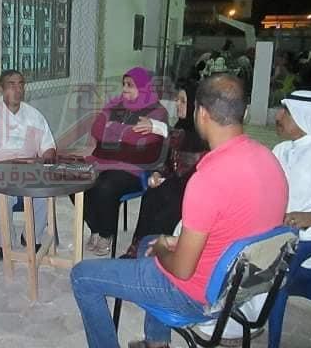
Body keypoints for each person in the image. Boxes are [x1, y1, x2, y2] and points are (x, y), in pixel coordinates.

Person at [70, 74, 288, 348]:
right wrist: (168, 242)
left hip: (198, 294)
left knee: (82, 275)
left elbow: (182, 270)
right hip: (240, 284)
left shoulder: (207, 179)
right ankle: (156, 342)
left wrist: (164, 248)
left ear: (201, 114)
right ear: (243, 113)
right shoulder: (269, 159)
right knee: (148, 242)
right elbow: (239, 227)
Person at [202, 89, 311, 343]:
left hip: (309, 239)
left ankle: (247, 319)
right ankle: (223, 306)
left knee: (247, 254)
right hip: (273, 228)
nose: (278, 116)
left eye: (286, 112)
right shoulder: (281, 149)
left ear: (306, 117)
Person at [0, 69, 56, 260]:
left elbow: (48, 147)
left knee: (44, 193)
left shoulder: (34, 115)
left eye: (21, 84)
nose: (17, 89)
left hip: (28, 170)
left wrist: (46, 159)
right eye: (11, 84)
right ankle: (5, 242)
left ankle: (31, 237)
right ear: (1, 88)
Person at [83, 67, 168, 255]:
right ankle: (96, 227)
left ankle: (106, 234)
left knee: (105, 186)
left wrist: (112, 128)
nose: (124, 89)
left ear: (143, 87)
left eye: (130, 85)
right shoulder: (114, 105)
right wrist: (124, 133)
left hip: (135, 168)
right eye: (124, 84)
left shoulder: (157, 112)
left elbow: (142, 140)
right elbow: (96, 130)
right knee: (75, 181)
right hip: (102, 160)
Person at [121, 79, 208, 259]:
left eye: (183, 101)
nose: (177, 104)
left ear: (195, 106)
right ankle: (137, 249)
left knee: (168, 203)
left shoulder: (203, 134)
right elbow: (167, 160)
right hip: (173, 184)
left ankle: (155, 254)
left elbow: (184, 139)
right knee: (151, 194)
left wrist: (158, 127)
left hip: (192, 191)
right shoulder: (180, 126)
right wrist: (157, 173)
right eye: (177, 100)